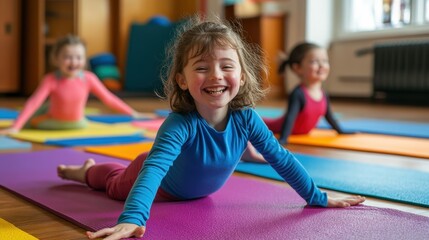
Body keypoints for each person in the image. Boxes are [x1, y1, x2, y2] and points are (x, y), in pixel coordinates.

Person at [57, 17, 365, 240]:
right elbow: (152, 171)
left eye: (226, 66)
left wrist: (316, 196)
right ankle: (84, 171)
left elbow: (280, 157)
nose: (215, 75)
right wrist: (132, 219)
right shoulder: (180, 124)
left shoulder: (246, 117)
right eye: (202, 68)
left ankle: (88, 170)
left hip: (194, 189)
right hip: (158, 184)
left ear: (242, 76)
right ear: (182, 79)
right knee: (111, 183)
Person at [0, 35, 146, 135]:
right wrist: (133, 113)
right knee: (44, 105)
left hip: (58, 123)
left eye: (78, 57)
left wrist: (133, 113)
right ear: (56, 59)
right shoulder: (56, 79)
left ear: (84, 59)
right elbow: (34, 102)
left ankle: (17, 125)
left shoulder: (85, 78)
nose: (74, 62)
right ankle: (17, 125)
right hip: (80, 123)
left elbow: (109, 98)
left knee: (34, 116)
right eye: (68, 57)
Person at [243, 42, 355, 162]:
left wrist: (341, 131)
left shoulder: (323, 93)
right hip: (273, 127)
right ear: (298, 68)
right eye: (314, 62)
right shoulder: (298, 94)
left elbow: (329, 115)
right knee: (250, 124)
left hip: (299, 132)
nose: (321, 65)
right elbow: (290, 117)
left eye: (325, 61)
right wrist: (283, 139)